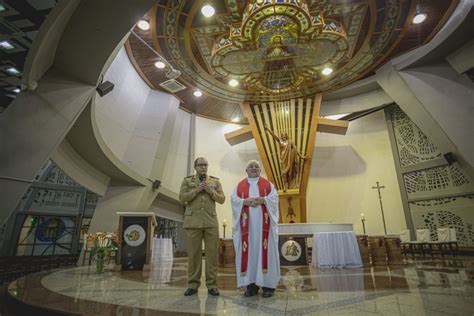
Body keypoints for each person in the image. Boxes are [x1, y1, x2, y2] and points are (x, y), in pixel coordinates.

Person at [231, 160, 280, 298]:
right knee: (250, 254)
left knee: (266, 253)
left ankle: (268, 286)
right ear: (246, 170)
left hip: (265, 229)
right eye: (250, 167)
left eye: (256, 166)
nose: (253, 168)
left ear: (260, 170)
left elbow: (275, 199)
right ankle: (251, 286)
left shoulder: (268, 185)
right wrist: (244, 202)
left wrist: (264, 200)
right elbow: (233, 199)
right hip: (247, 229)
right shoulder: (239, 186)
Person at [179, 157, 225, 296]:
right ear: (195, 167)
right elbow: (182, 197)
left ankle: (212, 285)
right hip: (193, 222)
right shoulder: (188, 181)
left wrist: (210, 191)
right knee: (194, 255)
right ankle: (192, 284)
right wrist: (197, 190)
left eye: (205, 165)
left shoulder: (215, 181)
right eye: (200, 165)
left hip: (210, 222)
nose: (203, 167)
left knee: (212, 255)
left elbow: (222, 199)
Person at [264, 126, 306, 190]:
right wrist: (268, 129)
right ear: (281, 136)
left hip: (289, 158)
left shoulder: (290, 141)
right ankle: (284, 186)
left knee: (289, 173)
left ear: (286, 136)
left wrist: (301, 156)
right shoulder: (280, 141)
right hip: (283, 159)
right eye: (282, 135)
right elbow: (274, 136)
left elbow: (295, 149)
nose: (283, 136)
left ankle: (289, 186)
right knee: (284, 173)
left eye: (284, 135)